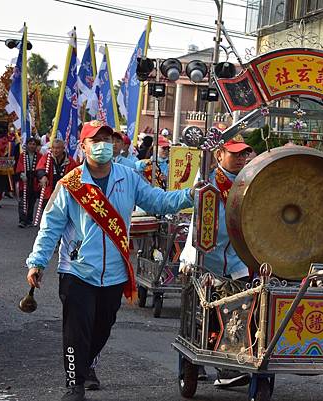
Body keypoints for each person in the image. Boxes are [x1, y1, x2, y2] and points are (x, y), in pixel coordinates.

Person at [25, 121, 198, 401]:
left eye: (107, 139)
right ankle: (75, 385)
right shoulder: (70, 184)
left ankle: (84, 365)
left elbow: (158, 201)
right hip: (77, 270)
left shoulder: (128, 177)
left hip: (115, 272)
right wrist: (37, 262)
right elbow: (51, 226)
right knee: (76, 332)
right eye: (96, 140)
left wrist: (189, 195)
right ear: (83, 147)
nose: (103, 145)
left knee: (102, 328)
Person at [179, 134, 253, 388]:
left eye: (244, 154)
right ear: (220, 155)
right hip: (204, 258)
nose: (241, 159)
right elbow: (197, 225)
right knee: (197, 317)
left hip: (235, 260)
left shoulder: (251, 182)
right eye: (235, 154)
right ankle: (189, 366)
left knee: (242, 311)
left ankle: (229, 365)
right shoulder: (207, 181)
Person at [16, 137, 41, 227]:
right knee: (22, 201)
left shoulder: (39, 156)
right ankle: (22, 220)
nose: (32, 146)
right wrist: (22, 173)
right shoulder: (22, 155)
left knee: (31, 202)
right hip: (25, 181)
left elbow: (41, 167)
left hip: (34, 181)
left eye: (34, 144)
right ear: (27, 145)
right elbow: (19, 165)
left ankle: (29, 219)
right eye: (30, 144)